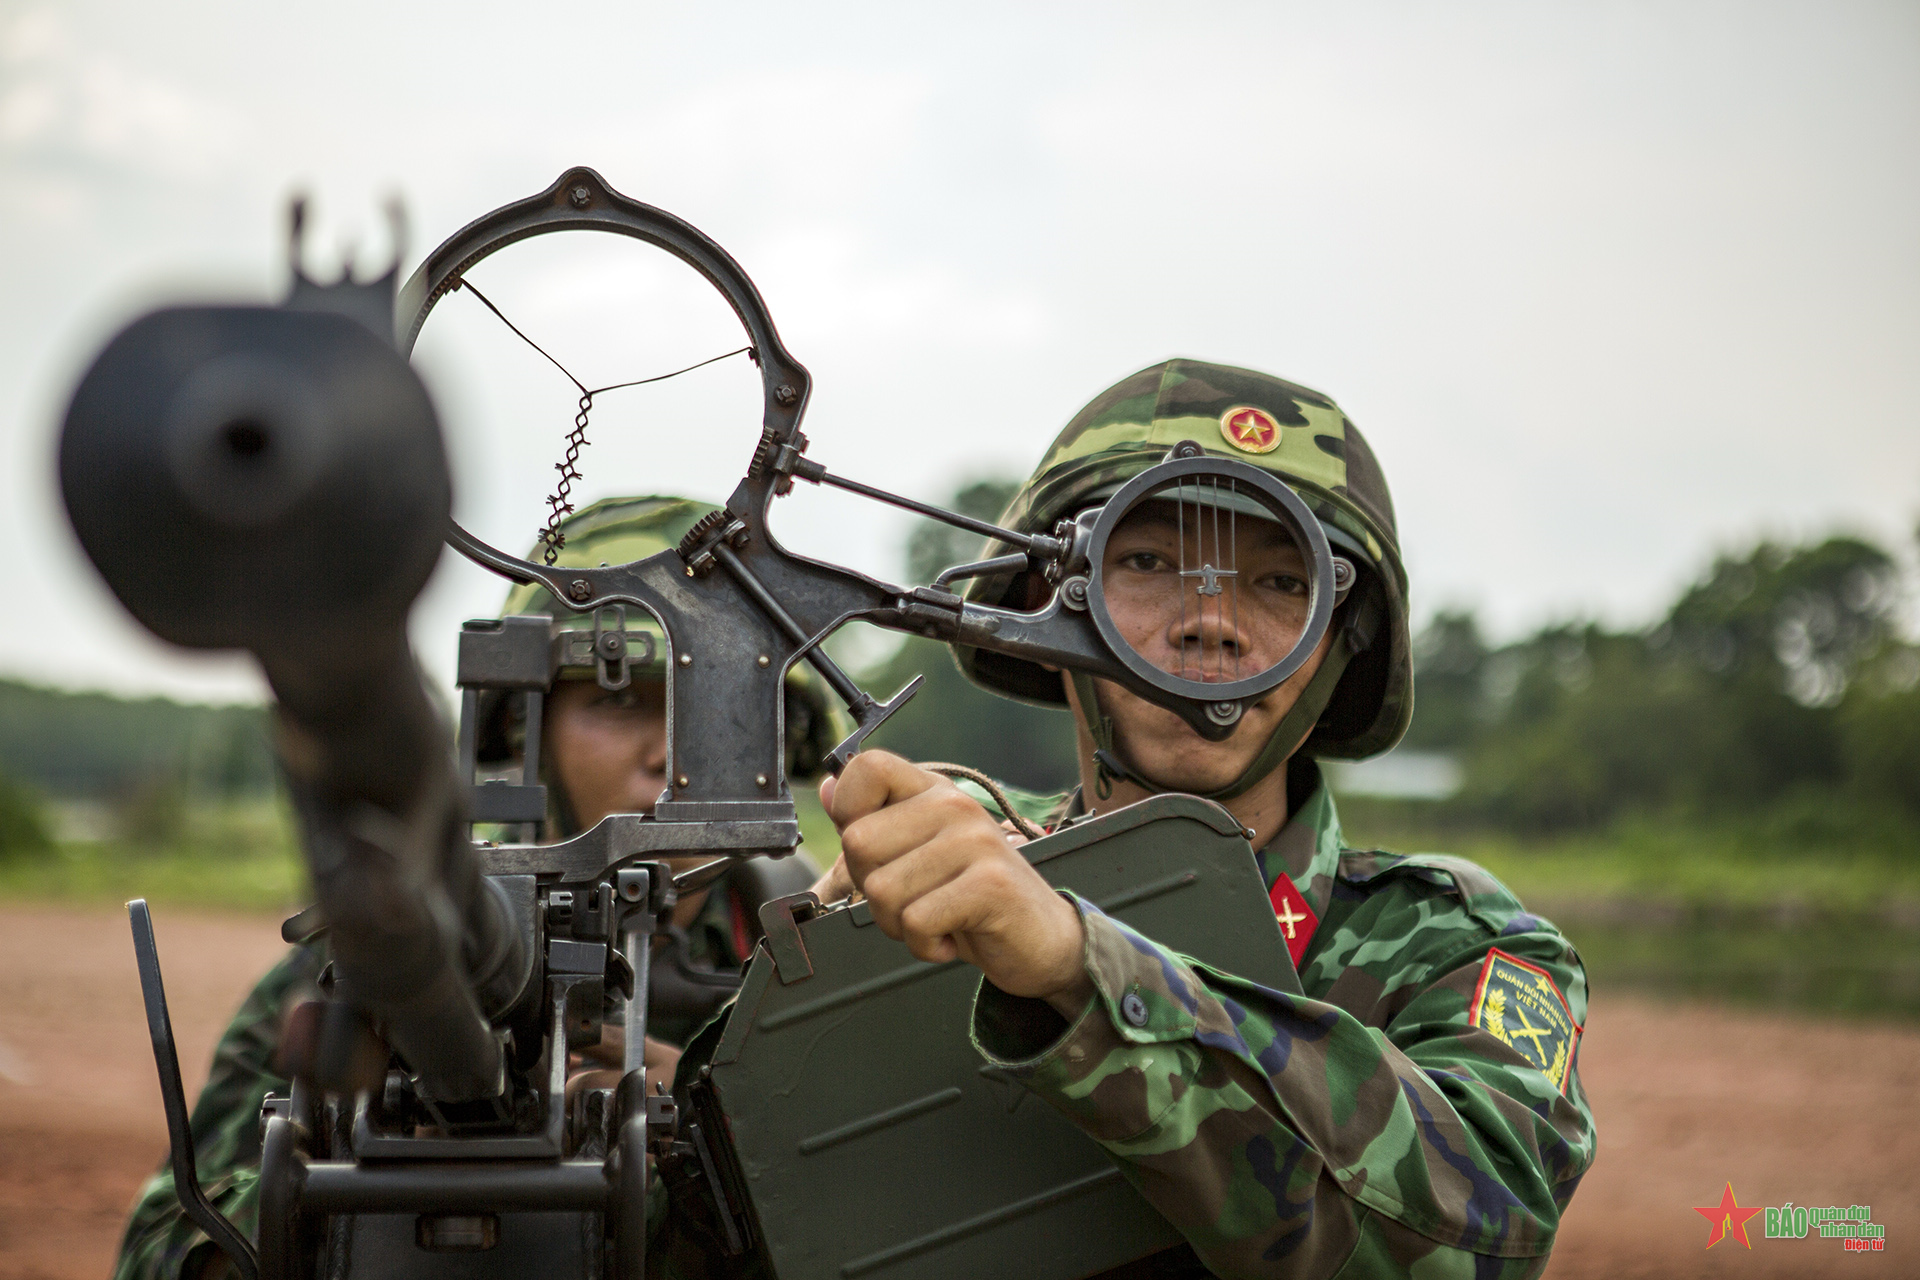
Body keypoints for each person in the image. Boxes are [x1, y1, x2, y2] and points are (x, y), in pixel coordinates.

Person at [798, 359, 1596, 1278]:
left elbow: (1483, 1234)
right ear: (1044, 602)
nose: (1211, 622)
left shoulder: (1446, 942)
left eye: (1282, 582)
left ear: (1346, 643)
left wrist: (1076, 964)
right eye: (1145, 563)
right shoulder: (939, 875)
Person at [112, 496, 842, 1280]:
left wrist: (724, 1137)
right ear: (525, 730)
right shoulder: (400, 947)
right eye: (617, 696)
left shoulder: (827, 961)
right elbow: (159, 1248)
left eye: (713, 707)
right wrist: (353, 1192)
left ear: (781, 738)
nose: (668, 754)